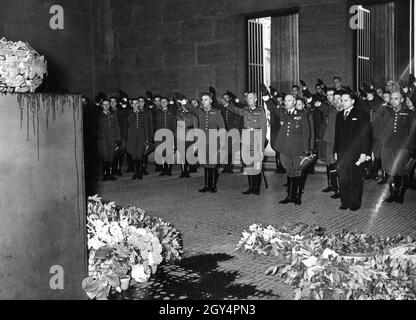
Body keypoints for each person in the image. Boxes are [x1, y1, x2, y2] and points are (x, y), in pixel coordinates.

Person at [264, 92, 311, 205]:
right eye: (285, 100)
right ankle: (290, 196)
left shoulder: (301, 114)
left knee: (297, 171)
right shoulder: (283, 113)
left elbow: (306, 132)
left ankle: (297, 196)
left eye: (289, 100)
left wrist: (306, 148)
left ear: (294, 102)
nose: (286, 102)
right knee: (289, 171)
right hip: (285, 147)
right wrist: (266, 99)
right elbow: (273, 109)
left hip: (296, 148)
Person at [334, 91, 371, 211]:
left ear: (353, 101)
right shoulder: (339, 115)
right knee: (343, 177)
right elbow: (337, 135)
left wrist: (364, 153)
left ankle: (355, 203)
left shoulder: (361, 114)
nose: (343, 103)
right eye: (342, 100)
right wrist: (335, 151)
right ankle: (345, 202)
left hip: (356, 152)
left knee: (355, 177)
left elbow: (366, 135)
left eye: (346, 100)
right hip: (342, 152)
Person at [180, 93, 225, 193]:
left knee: (212, 164)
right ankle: (206, 186)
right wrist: (184, 102)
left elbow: (222, 128)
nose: (204, 101)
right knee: (205, 164)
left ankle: (213, 186)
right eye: (202, 99)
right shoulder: (199, 111)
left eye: (206, 99)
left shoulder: (216, 112)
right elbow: (191, 108)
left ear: (211, 101)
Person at [225, 91, 267, 195]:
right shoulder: (245, 110)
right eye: (248, 98)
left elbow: (264, 128)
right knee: (248, 163)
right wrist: (227, 105)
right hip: (246, 137)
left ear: (256, 99)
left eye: (251, 98)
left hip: (256, 136)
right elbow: (235, 109)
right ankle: (251, 187)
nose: (249, 100)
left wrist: (261, 146)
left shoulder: (260, 111)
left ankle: (256, 188)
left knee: (256, 163)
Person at [380, 90, 416, 203]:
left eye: (396, 98)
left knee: (401, 172)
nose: (393, 101)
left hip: (402, 147)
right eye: (392, 98)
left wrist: (410, 148)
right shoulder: (386, 111)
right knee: (390, 171)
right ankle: (392, 194)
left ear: (401, 100)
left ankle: (400, 194)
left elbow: (412, 132)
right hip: (388, 146)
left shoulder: (408, 113)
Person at [215, 92, 244, 174]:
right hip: (224, 130)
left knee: (233, 149)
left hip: (233, 130)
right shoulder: (221, 107)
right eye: (224, 98)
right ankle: (226, 167)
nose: (225, 99)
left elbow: (238, 118)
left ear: (230, 98)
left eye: (227, 97)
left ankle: (234, 166)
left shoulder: (234, 106)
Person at [97, 99, 121, 181]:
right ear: (101, 106)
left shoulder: (113, 114)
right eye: (104, 104)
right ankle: (105, 174)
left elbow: (117, 127)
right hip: (103, 139)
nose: (106, 106)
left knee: (111, 156)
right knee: (105, 156)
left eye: (107, 104)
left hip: (112, 138)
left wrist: (118, 139)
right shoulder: (99, 115)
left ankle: (110, 174)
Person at [127, 97, 150, 179]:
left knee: (140, 153)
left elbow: (146, 127)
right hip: (131, 136)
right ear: (131, 105)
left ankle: (139, 172)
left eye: (137, 103)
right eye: (134, 103)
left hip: (141, 135)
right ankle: (135, 172)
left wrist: (147, 139)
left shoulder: (143, 114)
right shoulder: (128, 113)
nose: (136, 105)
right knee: (134, 154)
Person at [154, 97, 177, 176]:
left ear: (168, 103)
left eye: (165, 102)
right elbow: (155, 125)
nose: (163, 103)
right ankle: (163, 169)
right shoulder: (157, 113)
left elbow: (174, 126)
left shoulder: (171, 113)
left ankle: (169, 169)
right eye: (162, 102)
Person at [176, 100, 198, 178]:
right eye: (182, 105)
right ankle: (183, 171)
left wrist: (196, 140)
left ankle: (187, 170)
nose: (183, 107)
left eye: (185, 105)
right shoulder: (178, 114)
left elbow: (195, 128)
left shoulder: (193, 115)